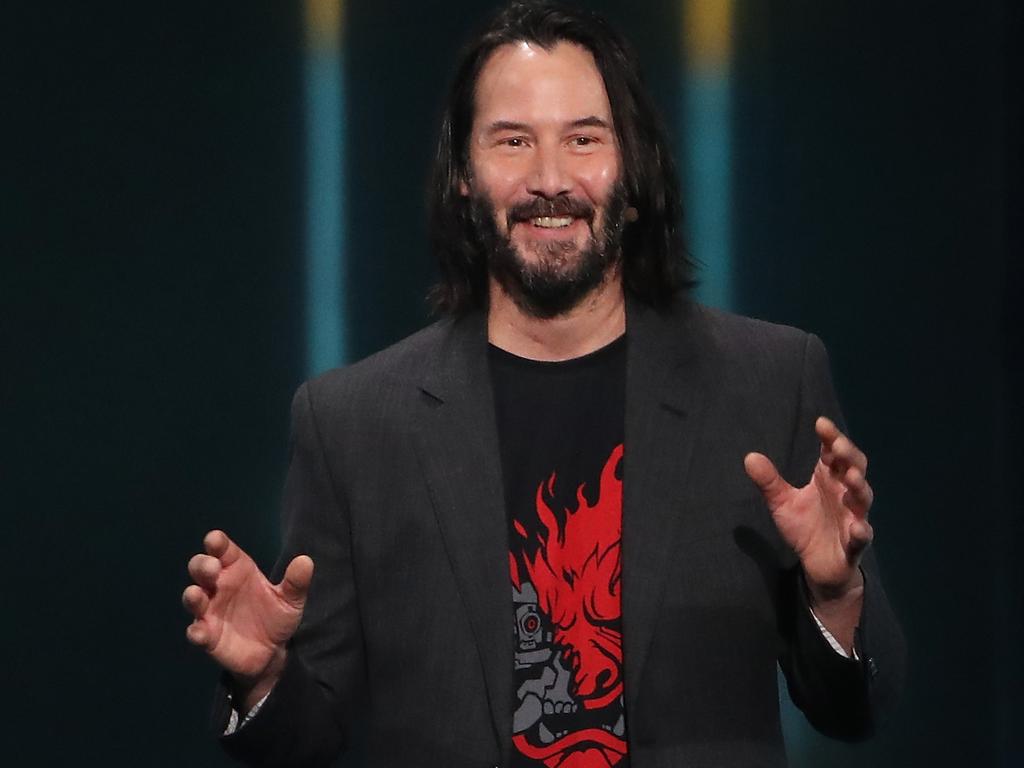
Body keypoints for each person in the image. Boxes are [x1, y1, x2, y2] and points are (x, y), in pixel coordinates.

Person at [182, 2, 904, 766]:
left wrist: (833, 593)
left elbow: (854, 712)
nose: (550, 180)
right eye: (513, 141)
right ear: (464, 175)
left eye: (583, 139)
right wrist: (264, 678)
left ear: (632, 172)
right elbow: (306, 742)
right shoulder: (352, 422)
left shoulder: (769, 383)